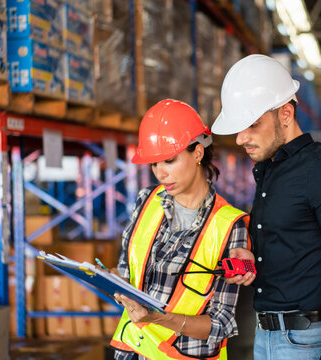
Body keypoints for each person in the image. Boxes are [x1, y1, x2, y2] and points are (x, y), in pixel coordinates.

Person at [211, 54, 321, 360]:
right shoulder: (270, 170)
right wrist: (255, 259)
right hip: (265, 337)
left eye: (252, 124)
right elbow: (299, 245)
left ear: (286, 114)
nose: (240, 139)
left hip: (310, 342)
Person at [110, 99, 250, 360]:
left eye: (169, 161)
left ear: (197, 152)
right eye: (154, 164)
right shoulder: (146, 201)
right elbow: (127, 271)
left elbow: (220, 324)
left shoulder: (229, 225)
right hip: (131, 351)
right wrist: (108, 279)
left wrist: (158, 317)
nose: (160, 173)